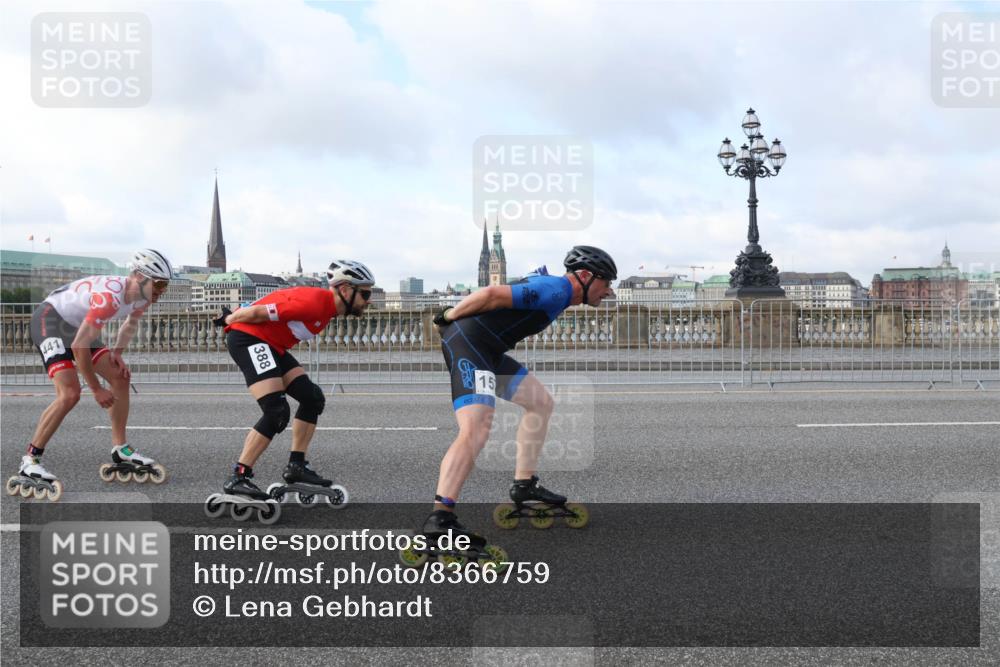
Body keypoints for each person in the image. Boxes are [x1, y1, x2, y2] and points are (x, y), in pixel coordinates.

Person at [424, 245, 617, 546]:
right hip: (470, 345)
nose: (608, 292)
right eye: (606, 283)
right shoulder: (554, 290)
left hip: (487, 350)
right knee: (476, 428)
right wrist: (447, 315)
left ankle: (524, 485)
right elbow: (491, 294)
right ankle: (440, 519)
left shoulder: (558, 292)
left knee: (540, 403)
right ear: (585, 276)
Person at [203, 259, 375, 522]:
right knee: (276, 411)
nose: (369, 300)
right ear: (344, 289)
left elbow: (271, 302)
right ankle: (238, 476)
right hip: (249, 339)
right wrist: (230, 317)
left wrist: (236, 310)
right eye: (365, 293)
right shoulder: (315, 302)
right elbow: (258, 313)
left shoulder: (328, 309)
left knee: (312, 398)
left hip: (272, 346)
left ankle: (297, 466)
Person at [7, 249, 173, 501]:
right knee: (70, 394)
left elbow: (130, 324)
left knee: (120, 377)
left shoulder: (143, 296)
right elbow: (78, 347)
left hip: (76, 325)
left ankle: (120, 449)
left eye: (165, 285)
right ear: (139, 277)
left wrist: (117, 352)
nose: (162, 290)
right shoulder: (109, 298)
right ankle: (30, 460)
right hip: (50, 320)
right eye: (159, 284)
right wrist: (96, 388)